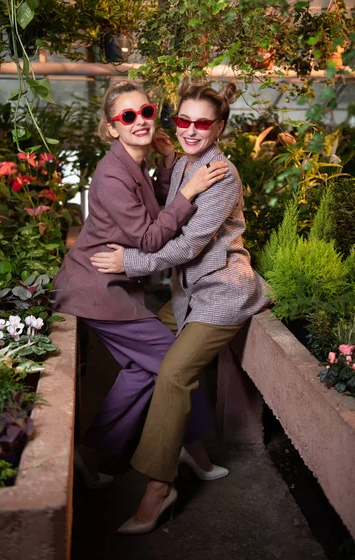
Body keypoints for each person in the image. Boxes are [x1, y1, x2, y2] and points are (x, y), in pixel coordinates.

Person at [90, 80, 270, 533]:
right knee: (151, 362)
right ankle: (189, 450)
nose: (190, 130)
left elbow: (187, 243)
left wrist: (131, 260)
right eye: (182, 120)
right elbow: (167, 209)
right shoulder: (188, 161)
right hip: (188, 294)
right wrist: (171, 160)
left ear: (220, 126)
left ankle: (157, 487)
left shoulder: (220, 175)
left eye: (201, 123)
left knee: (171, 374)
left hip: (222, 293)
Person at [52, 81, 227, 483]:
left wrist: (167, 164)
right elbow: (149, 237)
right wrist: (190, 188)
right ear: (111, 127)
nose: (140, 121)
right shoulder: (112, 174)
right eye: (127, 116)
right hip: (97, 289)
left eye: (146, 112)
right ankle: (192, 448)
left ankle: (90, 451)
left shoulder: (135, 164)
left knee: (140, 372)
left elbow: (154, 206)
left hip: (113, 286)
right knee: (173, 365)